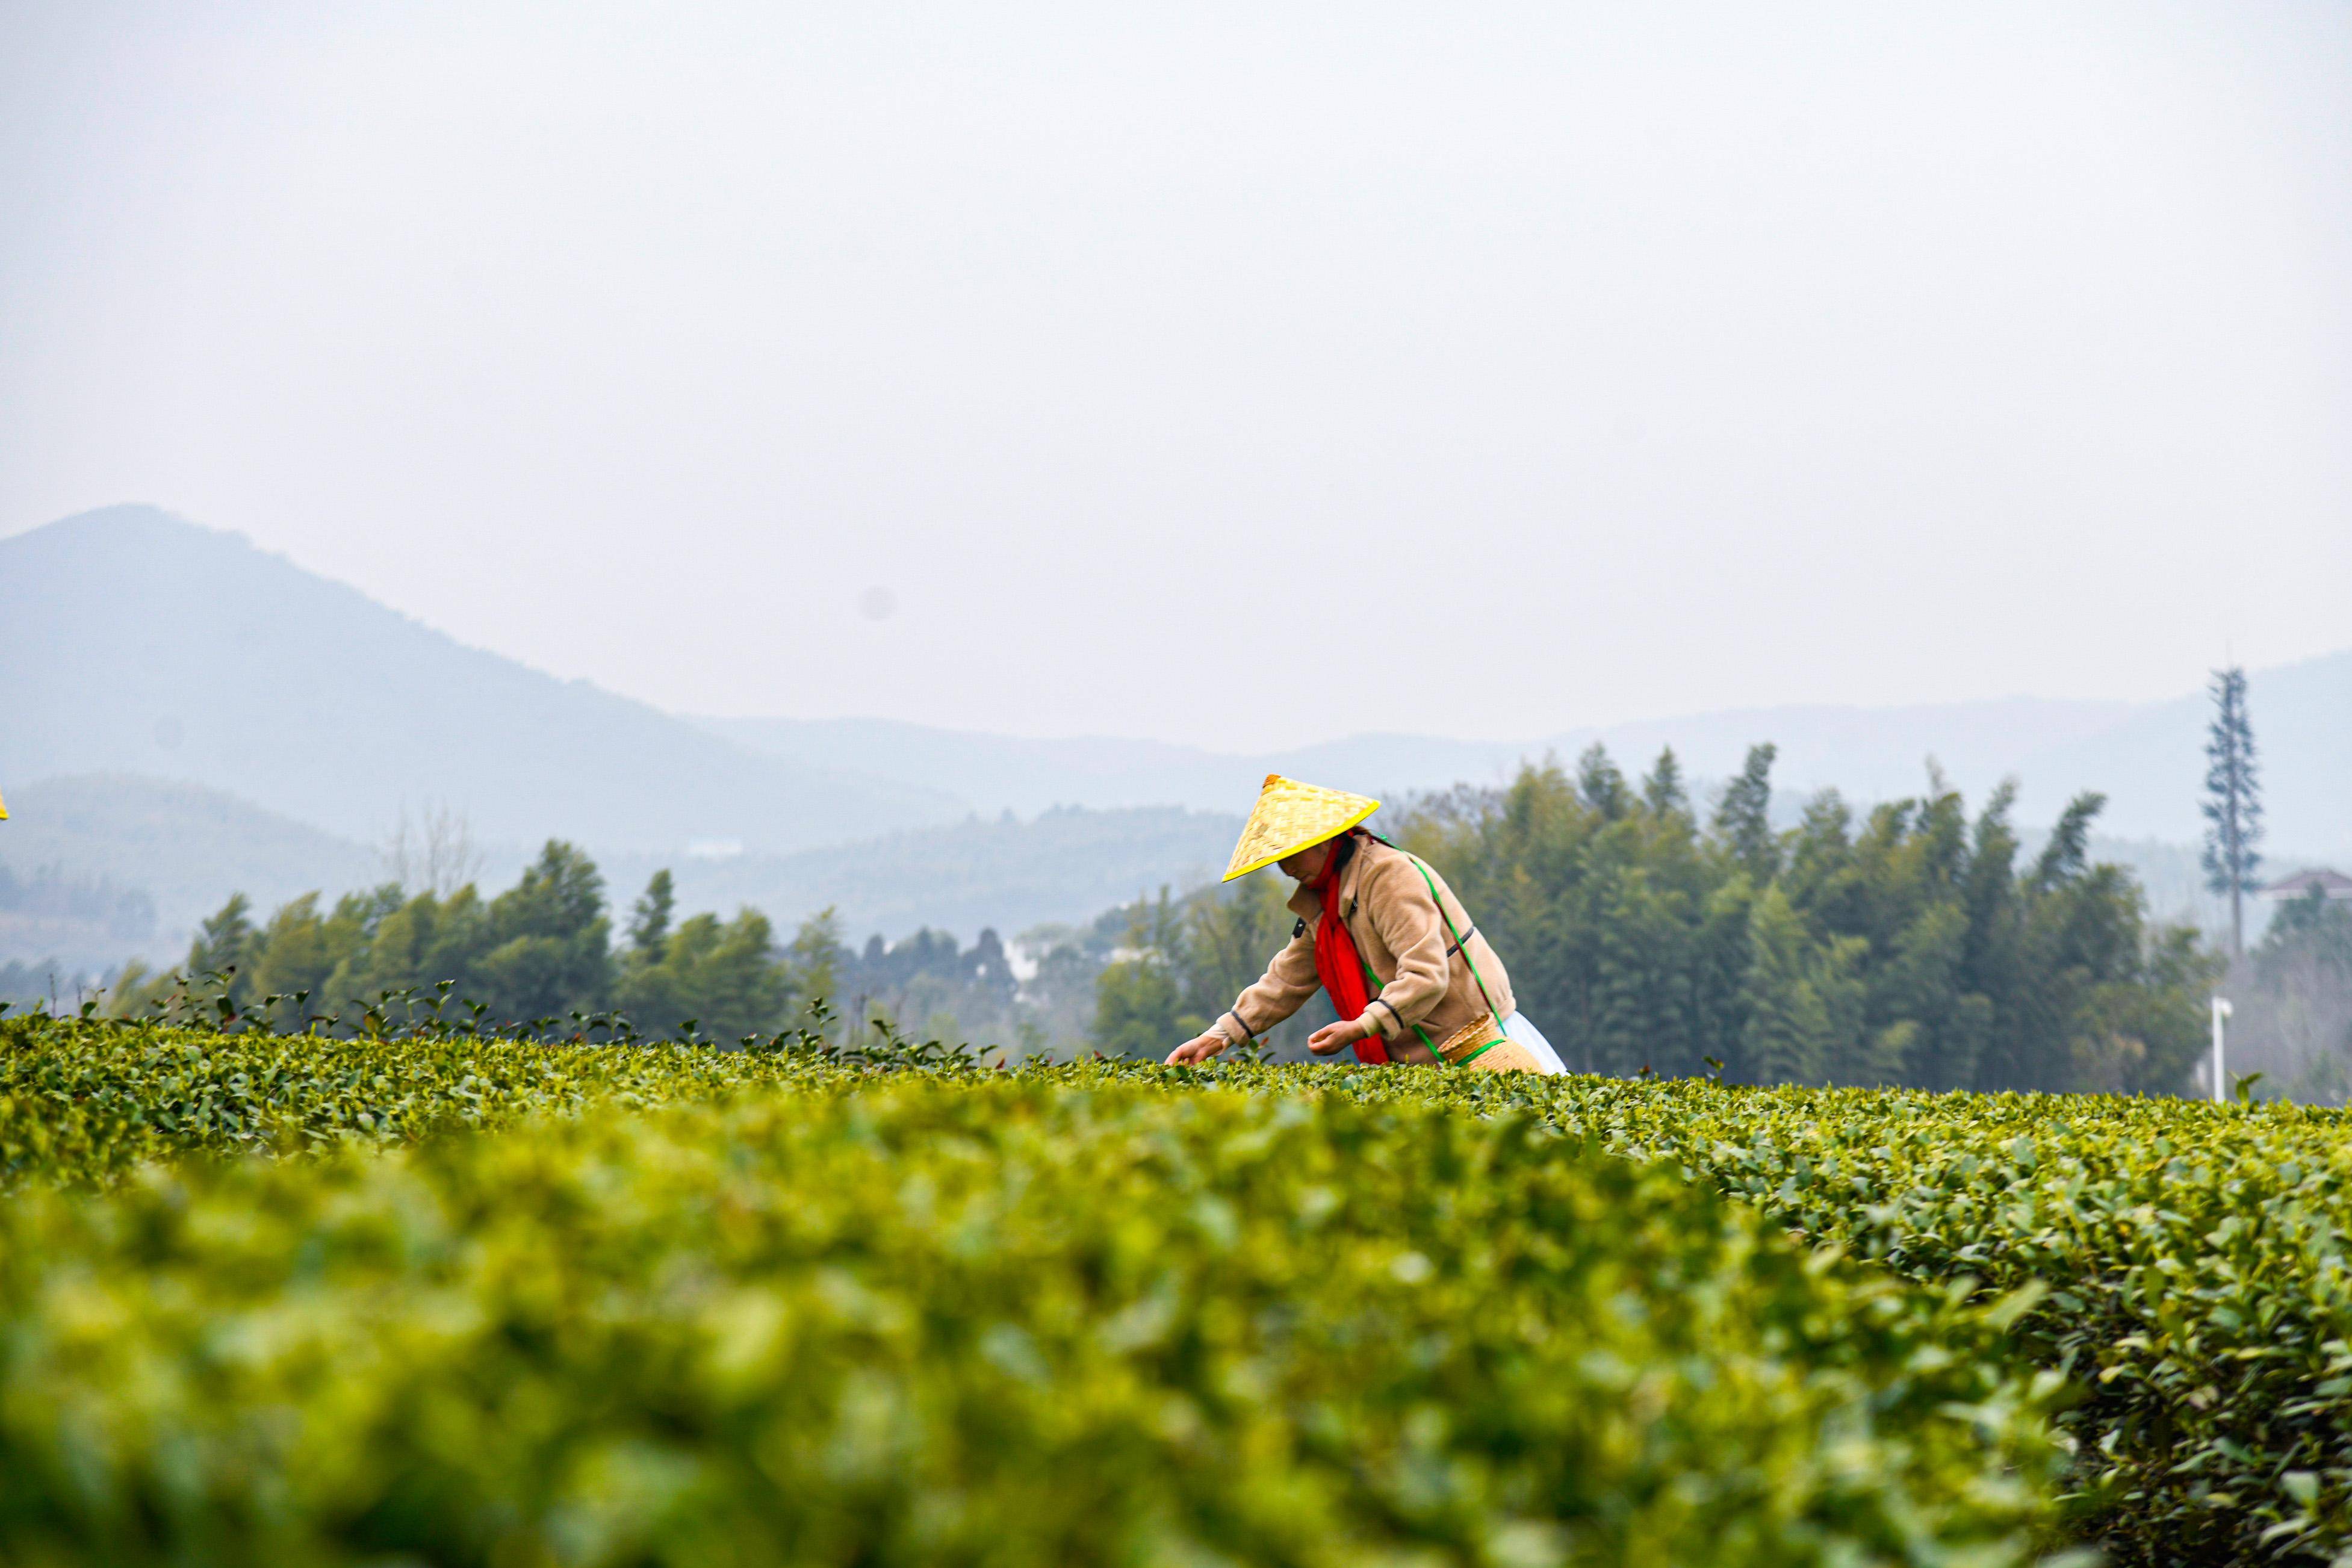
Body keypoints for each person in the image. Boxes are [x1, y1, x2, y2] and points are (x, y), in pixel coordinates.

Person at [1165, 774, 1566, 1073]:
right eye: (1278, 860)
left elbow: (1426, 974)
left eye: (1290, 855)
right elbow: (1286, 979)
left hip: (1482, 1047)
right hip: (1418, 1060)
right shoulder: (1326, 899)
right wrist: (1218, 1036)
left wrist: (1360, 1027)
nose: (1284, 869)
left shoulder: (1387, 877)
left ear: (1322, 840)